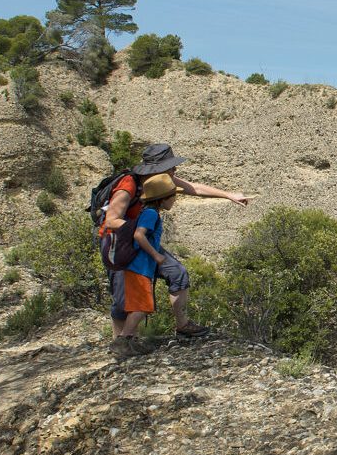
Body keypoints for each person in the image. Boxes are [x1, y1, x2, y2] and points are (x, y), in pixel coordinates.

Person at [102, 143, 252, 354]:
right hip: (120, 244)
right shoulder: (128, 185)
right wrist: (142, 230)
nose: (174, 172)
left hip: (143, 241)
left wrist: (228, 195)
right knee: (122, 298)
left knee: (177, 272)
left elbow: (195, 188)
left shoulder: (162, 181)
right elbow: (111, 221)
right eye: (171, 168)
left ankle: (182, 325)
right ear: (157, 168)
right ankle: (121, 344)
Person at [111, 173, 181, 355]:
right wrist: (156, 256)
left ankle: (130, 341)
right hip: (139, 267)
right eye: (173, 196)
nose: (174, 200)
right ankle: (123, 341)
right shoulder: (151, 214)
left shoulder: (149, 212)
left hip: (139, 268)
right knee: (142, 307)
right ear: (162, 199)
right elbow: (139, 235)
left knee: (139, 306)